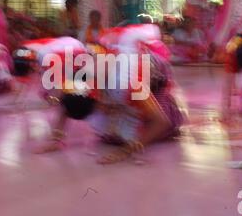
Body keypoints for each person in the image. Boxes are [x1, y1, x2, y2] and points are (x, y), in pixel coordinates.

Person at [36, 24, 184, 165]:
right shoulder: (80, 75)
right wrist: (57, 140)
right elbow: (69, 103)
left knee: (145, 129)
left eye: (98, 109)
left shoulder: (127, 83)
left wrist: (127, 151)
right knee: (110, 133)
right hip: (118, 68)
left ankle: (164, 105)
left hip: (154, 73)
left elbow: (161, 122)